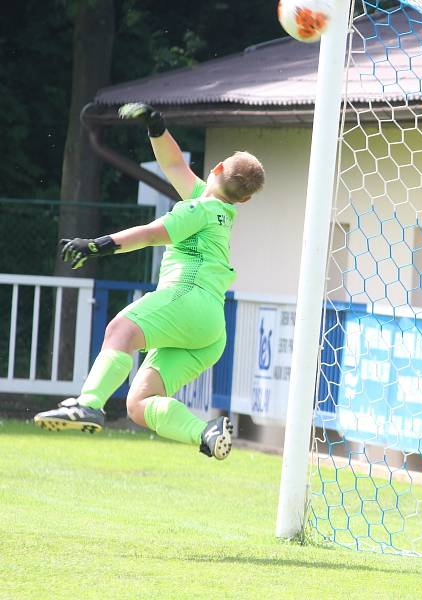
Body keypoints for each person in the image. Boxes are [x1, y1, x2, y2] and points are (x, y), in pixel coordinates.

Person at [34, 103, 265, 461]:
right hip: (210, 331)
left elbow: (150, 235)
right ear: (247, 199)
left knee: (120, 329)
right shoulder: (218, 208)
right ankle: (204, 431)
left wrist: (97, 245)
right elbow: (175, 165)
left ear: (216, 168)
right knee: (139, 404)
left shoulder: (197, 209)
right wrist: (156, 127)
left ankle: (89, 404)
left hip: (188, 298)